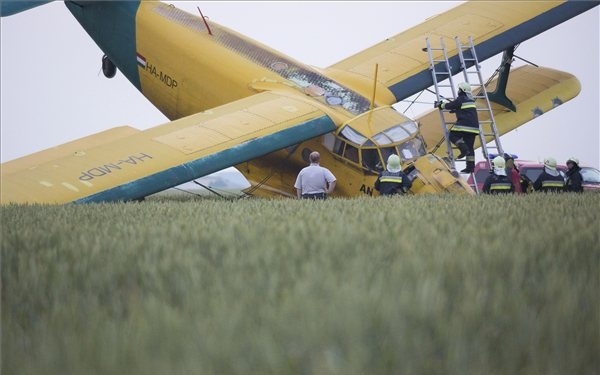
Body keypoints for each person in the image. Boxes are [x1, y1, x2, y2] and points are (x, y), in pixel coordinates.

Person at [434, 82, 480, 173]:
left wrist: (440, 104)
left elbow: (449, 105)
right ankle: (470, 168)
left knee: (452, 135)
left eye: (459, 89)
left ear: (462, 90)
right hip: (474, 128)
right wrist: (456, 110)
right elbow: (465, 110)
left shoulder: (461, 99)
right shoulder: (470, 100)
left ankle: (463, 149)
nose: (458, 91)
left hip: (464, 124)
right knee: (470, 147)